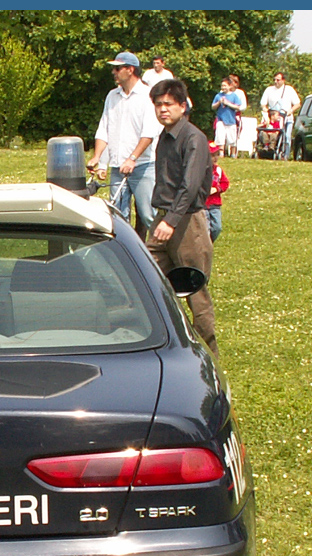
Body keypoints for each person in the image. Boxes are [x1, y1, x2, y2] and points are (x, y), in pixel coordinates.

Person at [147, 79, 218, 358]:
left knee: (194, 293)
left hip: (186, 222)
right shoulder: (164, 137)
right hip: (162, 220)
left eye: (168, 104)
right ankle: (163, 345)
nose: (163, 110)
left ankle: (209, 359)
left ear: (182, 105)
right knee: (144, 278)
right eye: (158, 104)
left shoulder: (193, 138)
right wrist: (162, 220)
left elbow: (190, 186)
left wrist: (172, 220)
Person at [86, 52, 161, 235]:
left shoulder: (148, 95)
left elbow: (149, 134)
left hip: (144, 165)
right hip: (118, 167)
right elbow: (104, 129)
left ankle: (164, 257)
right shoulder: (112, 96)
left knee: (149, 215)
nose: (114, 72)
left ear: (130, 70)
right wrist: (98, 158)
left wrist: (133, 158)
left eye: (118, 68)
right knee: (118, 218)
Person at [259, 72, 301, 160]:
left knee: (287, 137)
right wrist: (265, 109)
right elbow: (263, 103)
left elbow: (297, 103)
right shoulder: (269, 90)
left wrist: (290, 111)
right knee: (268, 132)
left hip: (286, 117)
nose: (275, 82)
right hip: (273, 117)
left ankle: (285, 155)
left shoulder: (289, 90)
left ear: (283, 80)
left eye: (278, 80)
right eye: (274, 79)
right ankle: (268, 149)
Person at [211, 78, 242, 157]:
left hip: (231, 121)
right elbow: (213, 107)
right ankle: (221, 153)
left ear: (230, 86)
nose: (223, 87)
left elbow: (238, 107)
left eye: (225, 85)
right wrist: (219, 102)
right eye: (222, 85)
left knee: (232, 139)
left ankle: (233, 154)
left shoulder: (234, 96)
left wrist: (228, 103)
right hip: (220, 119)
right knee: (220, 136)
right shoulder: (218, 95)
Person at [205, 141, 229, 243]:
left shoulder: (218, 170)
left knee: (216, 227)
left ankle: (209, 242)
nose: (215, 158)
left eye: (217, 155)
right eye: (212, 155)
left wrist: (217, 189)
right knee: (204, 228)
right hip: (203, 204)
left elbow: (225, 183)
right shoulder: (200, 170)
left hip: (215, 204)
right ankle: (204, 244)